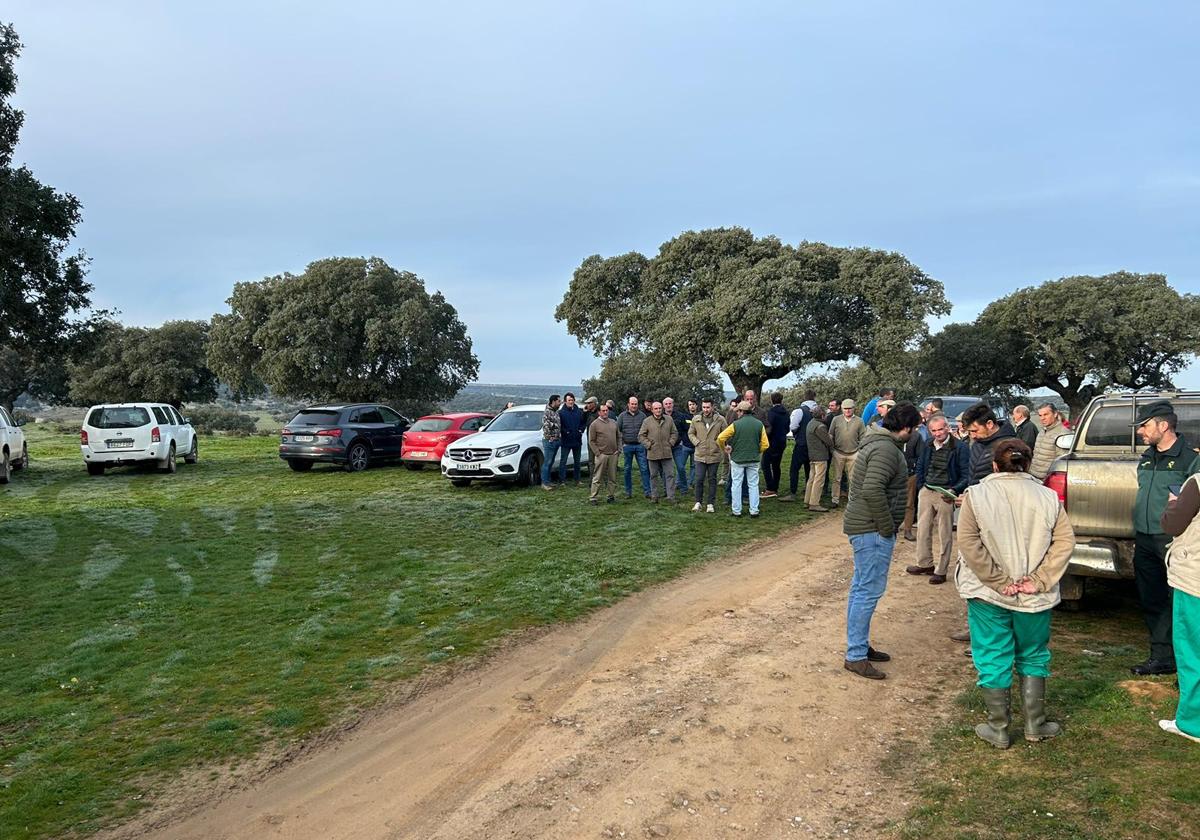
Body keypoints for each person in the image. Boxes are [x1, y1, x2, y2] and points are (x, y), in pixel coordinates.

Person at [956, 438, 1075, 748]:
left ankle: (998, 728)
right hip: (1035, 595)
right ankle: (1036, 724)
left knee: (992, 654)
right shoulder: (1049, 497)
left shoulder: (977, 496)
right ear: (1028, 463)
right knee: (1034, 653)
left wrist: (996, 580)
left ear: (994, 465)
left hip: (988, 593)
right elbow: (1064, 542)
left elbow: (969, 543)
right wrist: (1040, 579)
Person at [842, 402, 923, 679]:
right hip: (872, 530)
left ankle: (859, 645)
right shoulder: (886, 450)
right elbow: (872, 489)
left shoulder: (878, 443)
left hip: (867, 527)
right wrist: (887, 526)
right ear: (906, 427)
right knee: (867, 591)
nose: (915, 433)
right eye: (915, 428)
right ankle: (855, 655)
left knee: (860, 588)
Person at [1130, 400, 1198, 675]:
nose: (1140, 432)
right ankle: (1161, 656)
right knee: (1151, 598)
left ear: (1163, 425)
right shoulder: (1147, 456)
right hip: (1145, 538)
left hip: (1174, 542)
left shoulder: (1191, 459)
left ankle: (1186, 664)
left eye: (1144, 426)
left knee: (1179, 604)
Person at [1157, 464, 1200, 743]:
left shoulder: (1196, 483)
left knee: (1192, 652)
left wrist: (1174, 502)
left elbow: (1172, 524)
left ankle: (1192, 722)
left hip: (1195, 581)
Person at [907, 413, 964, 583]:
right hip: (927, 490)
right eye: (934, 430)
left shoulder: (960, 447)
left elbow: (966, 473)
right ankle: (924, 563)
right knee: (923, 529)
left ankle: (941, 569)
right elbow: (921, 466)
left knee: (944, 533)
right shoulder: (928, 444)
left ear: (948, 428)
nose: (938, 433)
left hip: (946, 493)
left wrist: (954, 490)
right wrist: (921, 486)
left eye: (941, 429)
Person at [717, 400, 769, 517]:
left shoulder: (735, 425)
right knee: (753, 485)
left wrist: (724, 448)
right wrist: (757, 451)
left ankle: (736, 511)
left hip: (738, 459)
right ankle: (754, 510)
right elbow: (765, 444)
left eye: (738, 411)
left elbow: (720, 438)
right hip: (754, 459)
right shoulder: (759, 424)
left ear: (741, 411)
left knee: (736, 484)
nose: (737, 413)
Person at [960, 403, 1018, 486]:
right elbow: (972, 475)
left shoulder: (1009, 446)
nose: (972, 436)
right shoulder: (977, 443)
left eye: (974, 431)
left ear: (989, 424)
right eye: (969, 432)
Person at [689, 397, 727, 513]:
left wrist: (718, 444)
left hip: (714, 455)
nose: (705, 409)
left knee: (712, 479)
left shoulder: (720, 419)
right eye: (704, 407)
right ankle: (698, 502)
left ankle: (710, 503)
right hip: (700, 454)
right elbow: (690, 433)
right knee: (699, 479)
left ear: (712, 407)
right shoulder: (696, 419)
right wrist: (697, 442)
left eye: (708, 407)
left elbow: (726, 433)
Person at [639, 401, 679, 503]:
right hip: (653, 453)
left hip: (666, 452)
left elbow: (674, 433)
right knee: (653, 475)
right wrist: (648, 445)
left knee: (669, 475)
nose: (658, 410)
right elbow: (641, 436)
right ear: (652, 410)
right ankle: (654, 496)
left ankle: (671, 497)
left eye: (660, 408)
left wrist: (671, 443)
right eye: (656, 409)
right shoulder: (647, 421)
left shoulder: (669, 419)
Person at [829, 398, 866, 507]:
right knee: (837, 478)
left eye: (850, 408)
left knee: (853, 478)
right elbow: (830, 435)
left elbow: (863, 437)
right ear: (842, 409)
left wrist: (859, 450)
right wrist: (832, 449)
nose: (847, 411)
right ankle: (834, 500)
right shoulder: (836, 419)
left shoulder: (859, 421)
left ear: (854, 409)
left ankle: (853, 500)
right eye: (845, 409)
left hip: (854, 453)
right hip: (838, 452)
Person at [783, 390, 817, 501]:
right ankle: (809, 491)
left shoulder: (799, 411)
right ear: (814, 397)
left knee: (794, 468)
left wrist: (797, 433)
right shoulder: (818, 410)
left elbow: (793, 426)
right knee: (809, 468)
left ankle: (793, 492)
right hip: (814, 445)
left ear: (804, 398)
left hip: (801, 443)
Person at [617, 397, 651, 499]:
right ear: (628, 404)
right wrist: (622, 443)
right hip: (627, 446)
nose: (634, 406)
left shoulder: (642, 416)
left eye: (635, 404)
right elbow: (618, 430)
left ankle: (647, 491)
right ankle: (628, 492)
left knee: (644, 469)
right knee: (627, 469)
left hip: (640, 446)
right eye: (632, 404)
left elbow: (647, 431)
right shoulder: (622, 416)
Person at [586, 401, 620, 504]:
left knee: (612, 477)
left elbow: (619, 436)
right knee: (597, 477)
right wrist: (597, 453)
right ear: (599, 412)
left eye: (607, 410)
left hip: (613, 454)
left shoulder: (614, 422)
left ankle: (610, 496)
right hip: (601, 455)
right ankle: (593, 497)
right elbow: (591, 441)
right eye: (603, 411)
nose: (605, 412)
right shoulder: (594, 424)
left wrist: (618, 449)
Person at [804, 406, 834, 511]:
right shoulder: (820, 426)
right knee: (819, 480)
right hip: (820, 456)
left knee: (811, 478)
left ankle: (807, 501)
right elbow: (828, 441)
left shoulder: (810, 423)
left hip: (812, 455)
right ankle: (814, 503)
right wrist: (831, 438)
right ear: (822, 415)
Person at [1030, 403, 1068, 480]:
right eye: (1040, 415)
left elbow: (1062, 461)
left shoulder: (1063, 433)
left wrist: (1050, 479)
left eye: (1046, 414)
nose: (1042, 418)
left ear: (1055, 414)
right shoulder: (1042, 432)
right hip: (1033, 477)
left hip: (1047, 480)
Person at [762, 392, 790, 498]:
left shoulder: (771, 413)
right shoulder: (786, 412)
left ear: (771, 400)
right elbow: (788, 427)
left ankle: (770, 488)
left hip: (771, 442)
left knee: (765, 464)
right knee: (776, 465)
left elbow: (769, 428)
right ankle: (775, 487)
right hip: (782, 441)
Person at [663, 397, 692, 496]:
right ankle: (667, 489)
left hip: (677, 446)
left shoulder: (680, 416)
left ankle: (684, 488)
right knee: (666, 470)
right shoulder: (660, 416)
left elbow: (686, 430)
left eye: (670, 403)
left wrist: (682, 440)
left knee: (681, 467)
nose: (668, 405)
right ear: (663, 406)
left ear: (673, 404)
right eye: (666, 404)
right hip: (665, 447)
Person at [558, 392, 585, 486]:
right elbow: (560, 426)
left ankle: (577, 480)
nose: (571, 402)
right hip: (566, 441)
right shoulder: (561, 412)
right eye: (569, 400)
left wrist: (581, 430)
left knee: (577, 461)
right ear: (565, 401)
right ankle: (562, 481)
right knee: (563, 461)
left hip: (577, 440)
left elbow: (583, 423)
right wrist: (566, 432)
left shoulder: (578, 411)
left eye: (572, 400)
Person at [540, 395, 563, 490]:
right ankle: (544, 483)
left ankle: (548, 481)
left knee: (551, 462)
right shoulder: (547, 412)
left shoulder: (556, 412)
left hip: (557, 439)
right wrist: (550, 437)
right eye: (558, 401)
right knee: (547, 462)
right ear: (553, 401)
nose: (560, 403)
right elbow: (546, 426)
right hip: (550, 441)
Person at [581, 396, 600, 477]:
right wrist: (584, 412)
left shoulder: (599, 413)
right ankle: (592, 479)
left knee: (600, 460)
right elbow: (582, 422)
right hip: (590, 440)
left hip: (599, 440)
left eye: (589, 403)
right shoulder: (588, 413)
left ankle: (600, 478)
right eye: (587, 403)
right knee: (591, 461)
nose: (587, 405)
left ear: (594, 404)